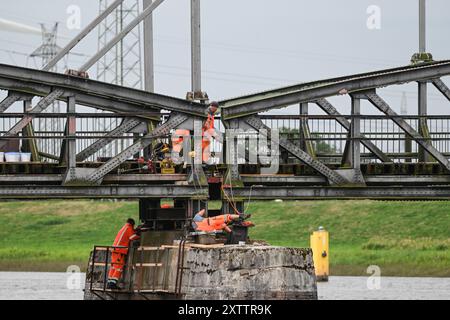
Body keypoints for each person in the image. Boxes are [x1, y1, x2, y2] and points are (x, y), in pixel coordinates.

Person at [107, 218, 141, 290]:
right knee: (119, 267)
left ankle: (109, 283)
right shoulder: (129, 228)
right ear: (132, 224)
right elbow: (132, 237)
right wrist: (139, 235)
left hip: (115, 250)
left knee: (113, 267)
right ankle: (113, 283)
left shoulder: (123, 228)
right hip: (119, 251)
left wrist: (134, 231)